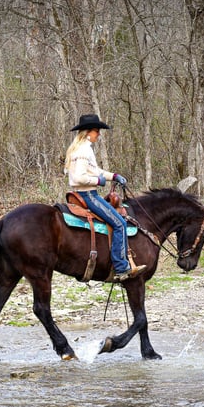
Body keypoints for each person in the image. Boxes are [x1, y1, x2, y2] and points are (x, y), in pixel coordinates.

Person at [64, 114, 146, 282]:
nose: (98, 134)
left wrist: (113, 176)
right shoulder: (83, 150)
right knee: (119, 223)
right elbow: (80, 177)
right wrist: (98, 181)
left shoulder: (81, 148)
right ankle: (121, 267)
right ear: (88, 132)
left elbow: (96, 170)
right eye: (97, 131)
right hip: (88, 195)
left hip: (84, 193)